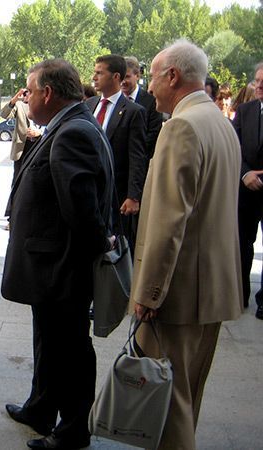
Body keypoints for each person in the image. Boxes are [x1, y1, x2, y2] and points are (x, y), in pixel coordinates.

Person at [131, 39, 242, 450]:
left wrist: (149, 292)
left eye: (153, 77)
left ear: (172, 76)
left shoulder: (181, 126)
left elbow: (168, 221)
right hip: (211, 290)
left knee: (171, 404)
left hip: (178, 294)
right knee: (188, 394)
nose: (150, 87)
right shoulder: (217, 120)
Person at [1, 58, 112, 449]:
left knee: (70, 350)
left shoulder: (72, 132)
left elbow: (82, 210)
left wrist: (97, 251)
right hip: (52, 264)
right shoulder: (68, 125)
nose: (26, 97)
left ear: (47, 93)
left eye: (29, 90)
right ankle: (41, 408)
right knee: (49, 342)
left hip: (61, 267)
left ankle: (72, 431)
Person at [86, 54, 147, 253]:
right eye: (94, 72)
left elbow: (137, 156)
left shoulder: (132, 111)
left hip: (117, 196)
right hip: (89, 192)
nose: (94, 77)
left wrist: (133, 196)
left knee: (117, 250)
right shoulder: (89, 105)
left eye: (99, 73)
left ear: (115, 77)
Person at [233, 62, 263, 318]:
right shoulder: (244, 111)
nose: (259, 85)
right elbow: (234, 146)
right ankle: (240, 294)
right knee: (243, 243)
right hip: (246, 190)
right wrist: (245, 173)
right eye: (257, 80)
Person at [122, 56, 163, 158]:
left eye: (127, 76)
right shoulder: (114, 101)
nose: (123, 81)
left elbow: (153, 134)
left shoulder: (151, 102)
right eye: (121, 77)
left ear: (137, 75)